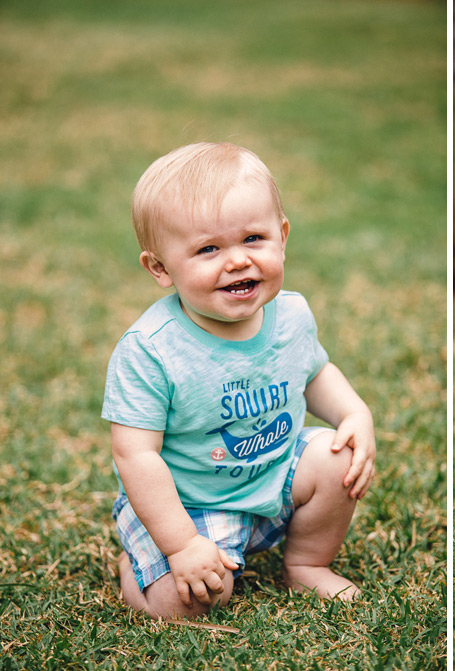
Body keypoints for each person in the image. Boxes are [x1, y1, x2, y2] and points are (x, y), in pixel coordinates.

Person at [103, 142, 376, 619]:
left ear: (283, 236)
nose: (237, 261)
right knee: (192, 603)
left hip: (273, 478)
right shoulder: (150, 350)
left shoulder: (291, 315)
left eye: (254, 239)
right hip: (187, 505)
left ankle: (307, 564)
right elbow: (135, 455)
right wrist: (183, 544)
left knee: (340, 455)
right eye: (208, 249)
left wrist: (355, 412)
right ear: (161, 268)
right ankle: (138, 569)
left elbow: (315, 373)